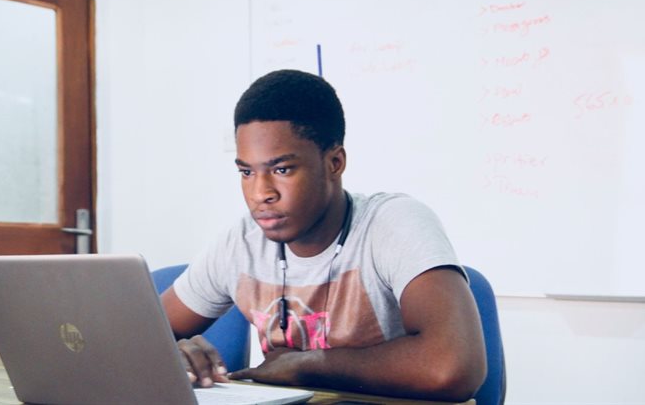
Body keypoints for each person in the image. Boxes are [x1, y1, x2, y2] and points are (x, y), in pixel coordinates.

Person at [160, 69, 487, 401]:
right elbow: (134, 336)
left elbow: (452, 368)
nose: (260, 193)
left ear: (334, 162)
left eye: (281, 169)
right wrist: (176, 351)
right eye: (246, 172)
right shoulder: (242, 242)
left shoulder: (393, 224)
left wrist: (308, 364)